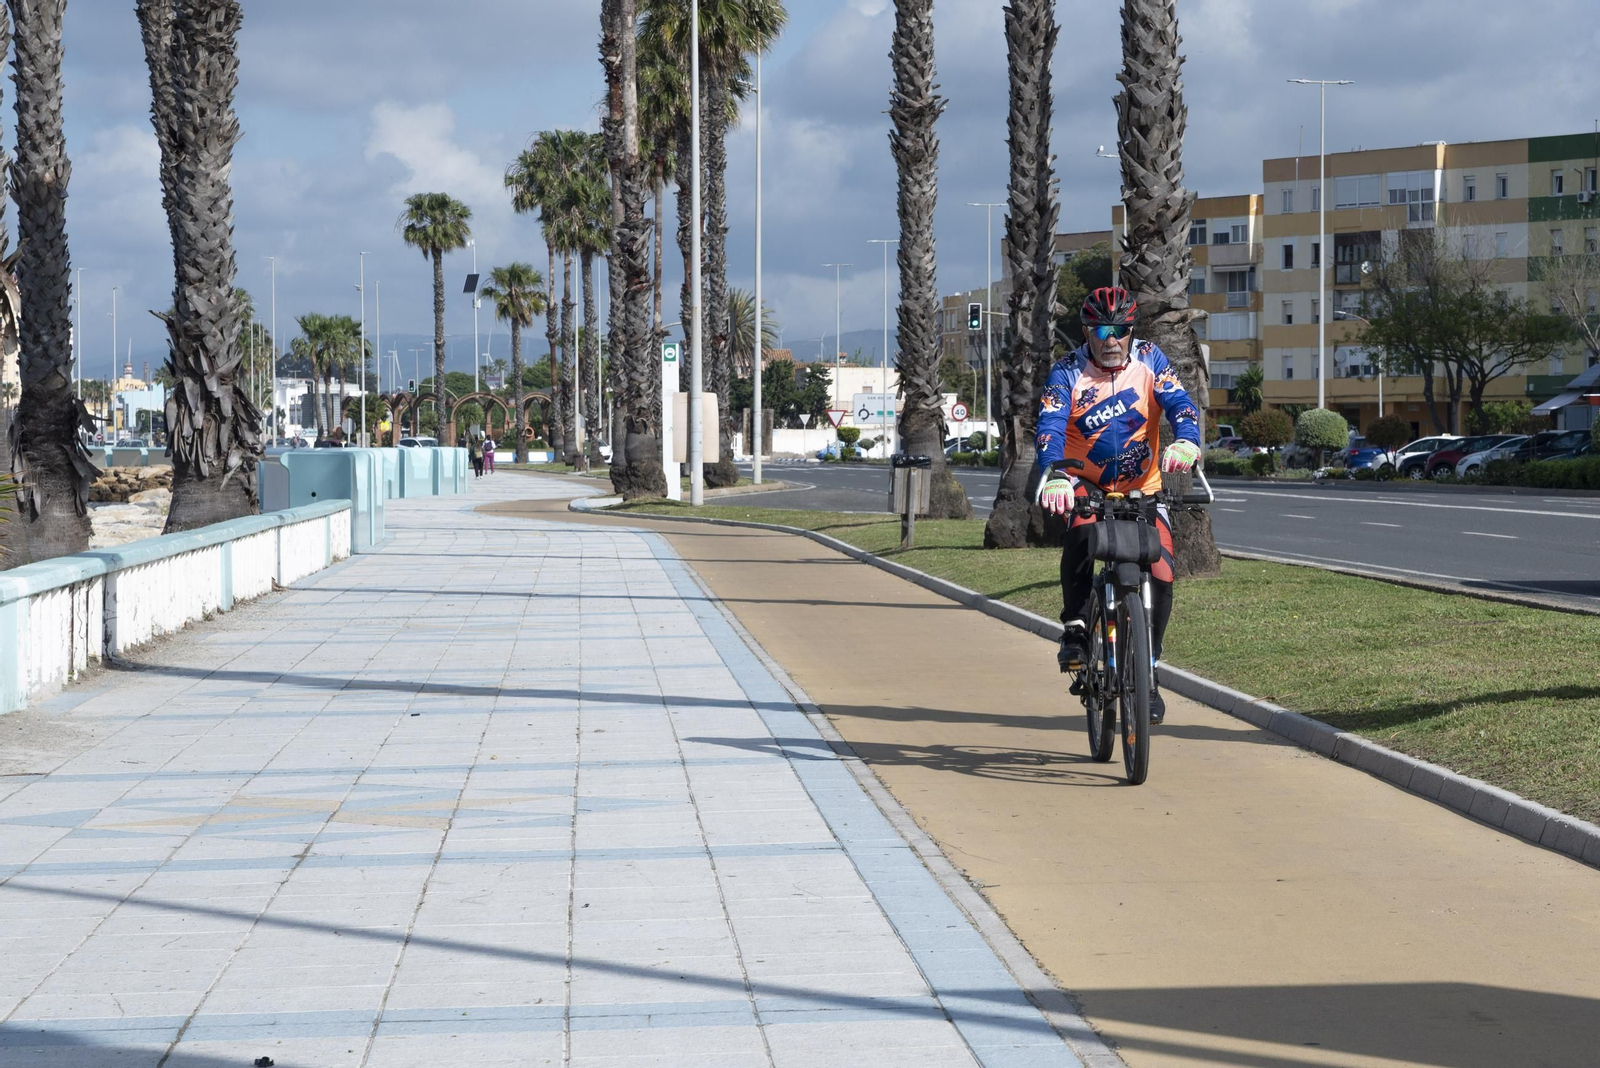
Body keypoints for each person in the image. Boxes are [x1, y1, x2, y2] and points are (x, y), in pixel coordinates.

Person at [1034, 286, 1202, 724]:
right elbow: (1050, 426)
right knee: (1081, 535)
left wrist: (1187, 440)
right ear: (1087, 332)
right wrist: (1054, 473)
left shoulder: (1150, 358)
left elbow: (1180, 404)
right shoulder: (1066, 371)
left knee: (1163, 573)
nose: (1112, 340)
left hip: (1144, 488)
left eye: (1121, 329)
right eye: (1102, 330)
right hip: (1086, 484)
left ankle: (1149, 665)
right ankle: (1074, 627)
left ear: (1132, 331)